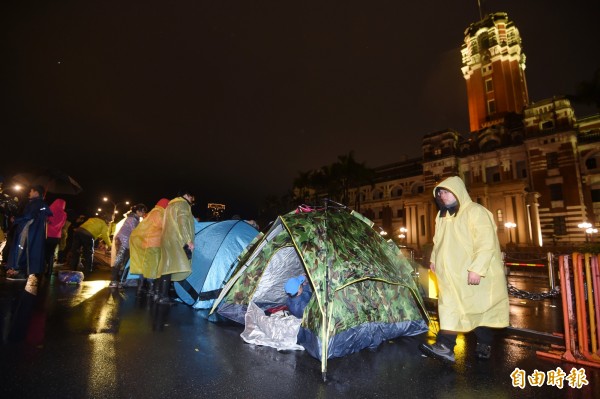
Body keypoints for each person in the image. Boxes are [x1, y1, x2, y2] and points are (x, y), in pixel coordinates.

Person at [418, 176, 509, 363]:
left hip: (471, 272)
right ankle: (445, 347)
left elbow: (486, 242)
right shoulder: (442, 216)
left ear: (458, 191)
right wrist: (434, 260)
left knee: (477, 310)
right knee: (450, 308)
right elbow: (438, 241)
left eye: (446, 191)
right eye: (440, 193)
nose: (442, 196)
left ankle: (484, 343)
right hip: (450, 274)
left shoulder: (476, 212)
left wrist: (477, 268)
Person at [6, 185, 52, 283]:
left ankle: (19, 271)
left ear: (36, 193)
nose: (29, 193)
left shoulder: (36, 203)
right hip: (33, 232)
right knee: (29, 250)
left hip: (28, 230)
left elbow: (29, 215)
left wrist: (16, 219)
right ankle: (19, 270)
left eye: (31, 191)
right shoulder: (41, 204)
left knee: (21, 248)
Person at [156, 190, 195, 305]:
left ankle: (159, 295)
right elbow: (182, 222)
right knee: (173, 267)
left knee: (166, 268)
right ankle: (163, 296)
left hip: (166, 239)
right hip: (177, 240)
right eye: (191, 197)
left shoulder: (170, 205)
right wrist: (188, 240)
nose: (192, 200)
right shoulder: (183, 204)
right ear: (186, 195)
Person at [129, 198, 170, 296]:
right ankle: (151, 290)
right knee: (153, 267)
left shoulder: (153, 212)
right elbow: (162, 225)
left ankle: (141, 288)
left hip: (146, 243)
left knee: (145, 266)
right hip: (154, 244)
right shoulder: (158, 213)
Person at [109, 203, 147, 288]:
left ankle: (118, 280)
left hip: (127, 243)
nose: (143, 213)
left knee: (123, 262)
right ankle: (113, 280)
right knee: (119, 260)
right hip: (122, 241)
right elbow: (135, 232)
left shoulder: (136, 219)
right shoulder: (132, 219)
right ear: (137, 211)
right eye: (142, 211)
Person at [44, 198, 67, 276]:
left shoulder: (50, 210)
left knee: (44, 252)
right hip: (56, 236)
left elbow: (45, 220)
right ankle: (49, 271)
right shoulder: (64, 214)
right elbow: (63, 225)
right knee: (51, 253)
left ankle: (42, 269)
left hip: (47, 234)